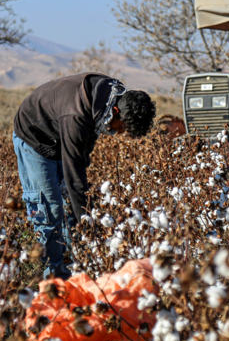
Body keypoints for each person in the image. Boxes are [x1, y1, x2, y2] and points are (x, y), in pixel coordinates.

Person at [13, 73, 156, 279]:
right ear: (116, 111)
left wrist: (83, 212)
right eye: (123, 127)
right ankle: (51, 279)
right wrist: (88, 222)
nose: (121, 132)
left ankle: (75, 268)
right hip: (34, 136)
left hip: (59, 133)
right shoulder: (77, 116)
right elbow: (74, 174)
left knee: (70, 207)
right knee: (49, 208)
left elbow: (81, 152)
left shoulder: (113, 96)